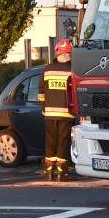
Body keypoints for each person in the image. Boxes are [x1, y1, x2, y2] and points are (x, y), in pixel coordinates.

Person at [39, 39, 75, 182]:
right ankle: (62, 174)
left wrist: (44, 108)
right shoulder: (72, 70)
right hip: (67, 114)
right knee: (63, 143)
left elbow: (41, 93)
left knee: (50, 142)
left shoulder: (47, 69)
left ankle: (48, 173)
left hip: (50, 114)